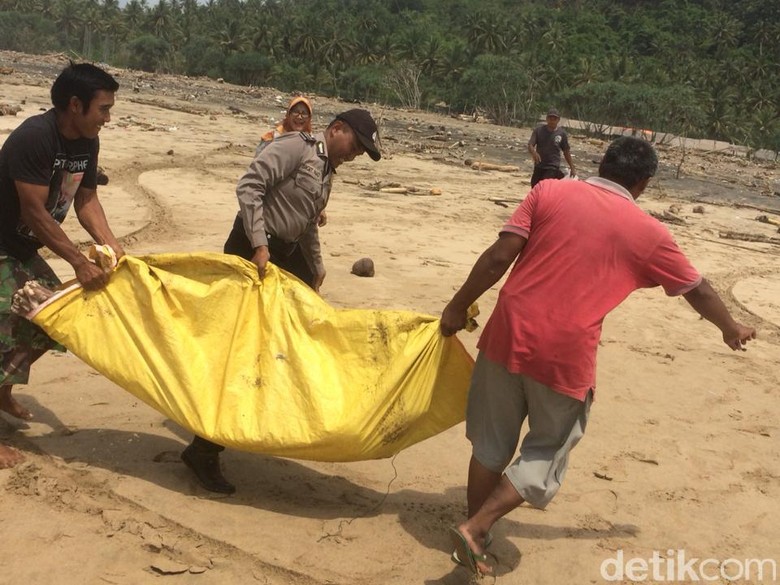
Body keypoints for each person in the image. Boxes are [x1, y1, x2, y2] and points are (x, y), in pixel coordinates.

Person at [440, 136, 756, 577]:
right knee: (547, 450)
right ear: (643, 183)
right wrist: (730, 328)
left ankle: (475, 535)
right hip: (564, 354)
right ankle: (477, 528)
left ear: (601, 163)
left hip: (506, 332)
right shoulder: (648, 232)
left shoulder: (549, 191)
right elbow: (696, 288)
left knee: (491, 444)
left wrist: (456, 306)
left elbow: (498, 257)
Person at [181, 108, 382, 494]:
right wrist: (258, 246)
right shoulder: (296, 148)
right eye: (355, 146)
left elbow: (306, 221)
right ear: (336, 129)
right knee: (242, 351)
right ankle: (203, 450)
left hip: (284, 256)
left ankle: (255, 422)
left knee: (286, 345)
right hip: (251, 253)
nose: (354, 155)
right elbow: (249, 187)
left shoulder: (325, 170)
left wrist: (316, 268)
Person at [0, 62, 124, 469]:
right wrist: (77, 261)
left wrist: (112, 246)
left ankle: (2, 390)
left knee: (54, 319)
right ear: (75, 104)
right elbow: (34, 212)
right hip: (3, 243)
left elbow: (86, 200)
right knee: (14, 324)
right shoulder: (36, 137)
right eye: (103, 108)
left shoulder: (86, 143)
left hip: (21, 245)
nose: (108, 117)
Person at [256, 96, 327, 229]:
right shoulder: (272, 138)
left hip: (296, 212)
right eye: (296, 112)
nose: (299, 117)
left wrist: (319, 207)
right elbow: (257, 173)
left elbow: (315, 180)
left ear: (309, 118)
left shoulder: (312, 145)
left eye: (304, 113)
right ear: (288, 114)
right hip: (269, 206)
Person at [527, 107, 576, 187]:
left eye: (554, 118)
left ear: (558, 120)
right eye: (550, 118)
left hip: (552, 166)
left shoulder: (561, 134)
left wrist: (572, 167)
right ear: (547, 119)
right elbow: (530, 144)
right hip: (539, 164)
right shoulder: (539, 131)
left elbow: (566, 151)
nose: (552, 120)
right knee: (535, 185)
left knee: (544, 186)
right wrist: (534, 153)